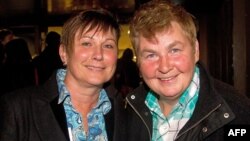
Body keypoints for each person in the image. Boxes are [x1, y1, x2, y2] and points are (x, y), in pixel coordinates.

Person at [125, 1, 250, 141]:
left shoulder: (237, 113)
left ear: (195, 51)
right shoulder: (129, 110)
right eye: (151, 55)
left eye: (174, 50)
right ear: (138, 62)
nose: (164, 67)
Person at [0, 8, 126, 141]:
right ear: (64, 53)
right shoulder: (18, 109)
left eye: (108, 46)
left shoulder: (125, 111)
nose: (99, 55)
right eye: (87, 43)